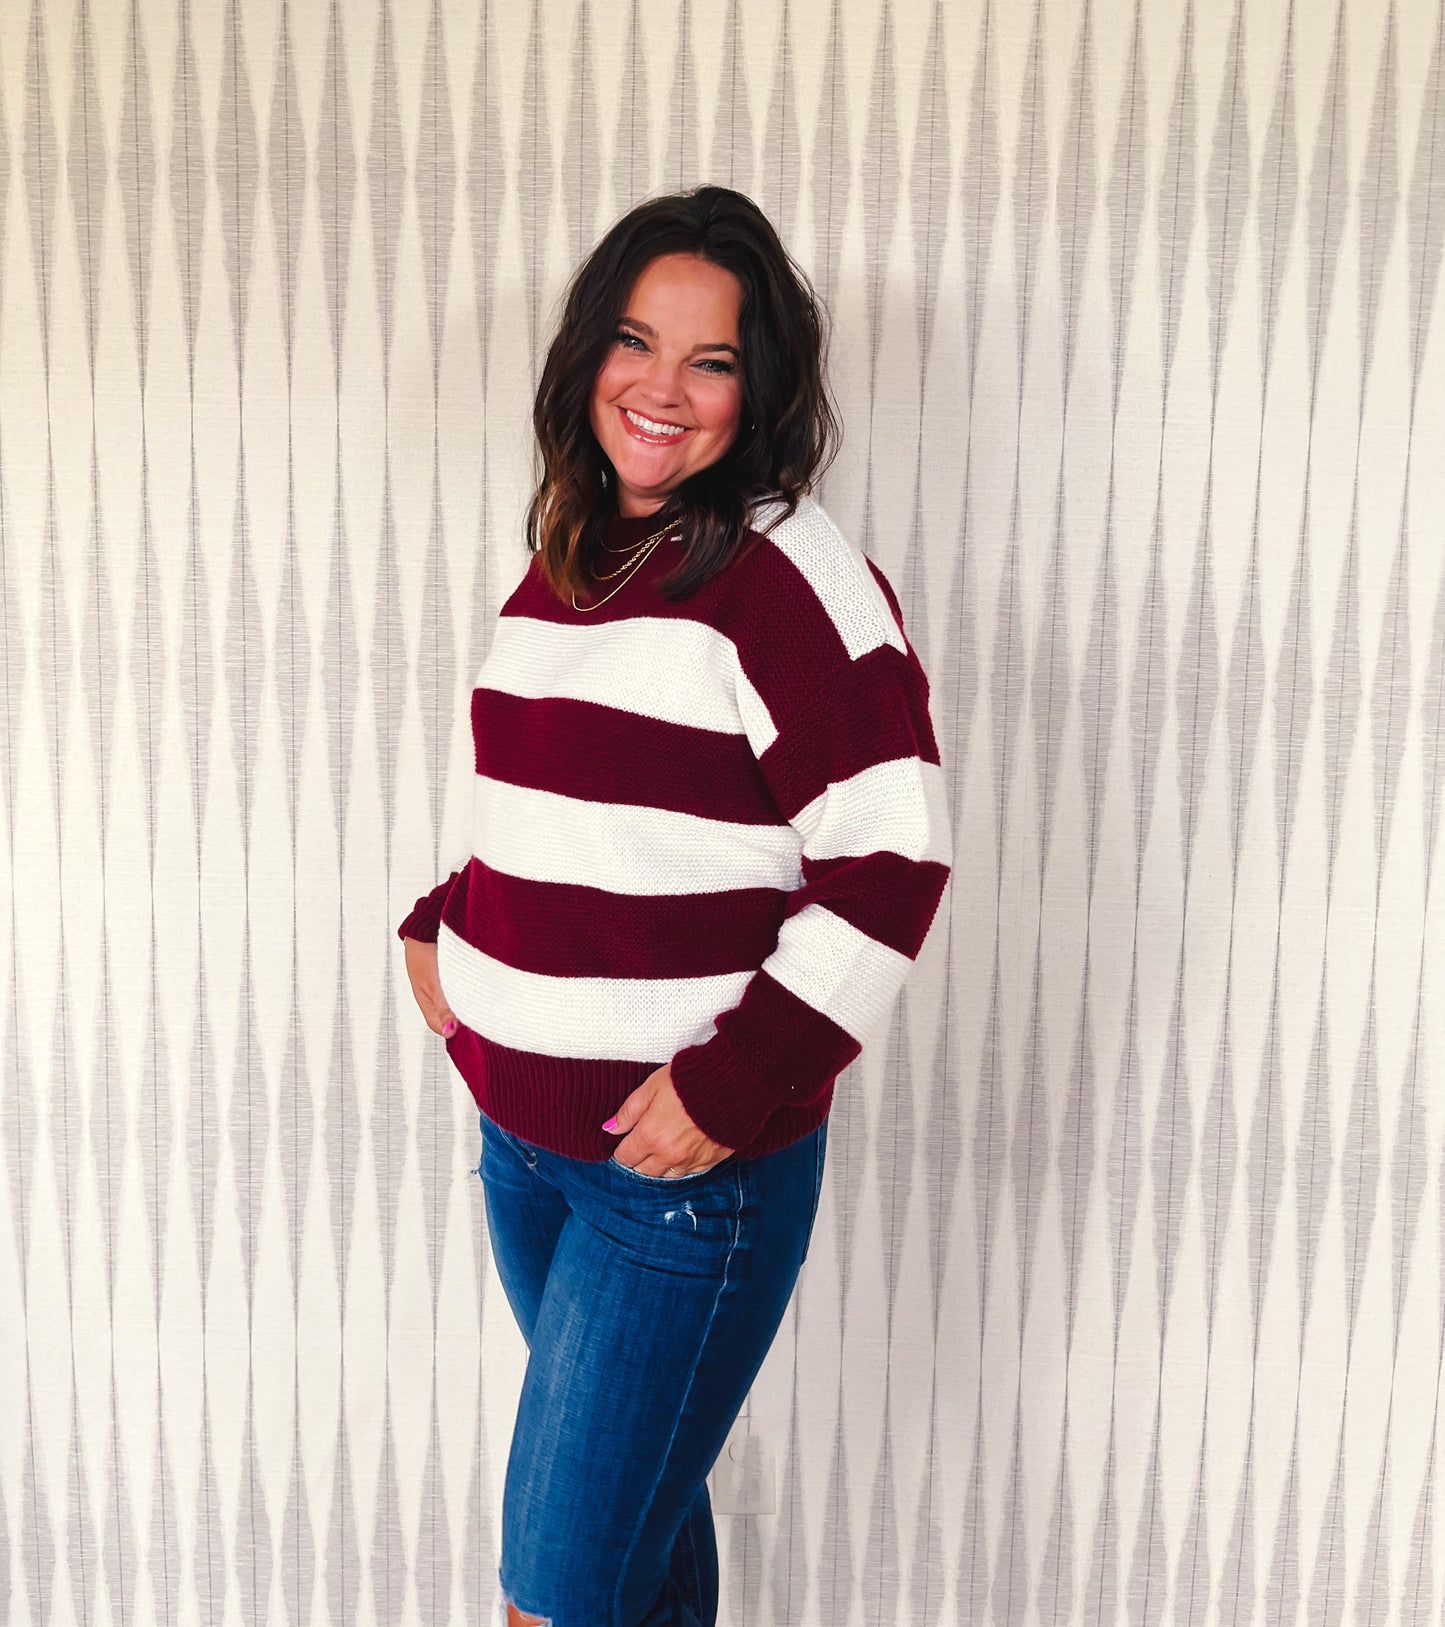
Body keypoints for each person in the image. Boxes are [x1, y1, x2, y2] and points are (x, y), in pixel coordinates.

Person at [397, 185, 951, 1627]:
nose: (662, 388)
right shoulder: (573, 557)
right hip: (523, 1148)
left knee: (557, 1597)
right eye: (635, 342)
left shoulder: (786, 577)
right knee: (633, 1566)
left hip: (678, 1183)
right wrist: (445, 927)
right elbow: (578, 807)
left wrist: (734, 1082)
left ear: (757, 391)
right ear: (587, 353)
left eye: (711, 361)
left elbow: (889, 858)